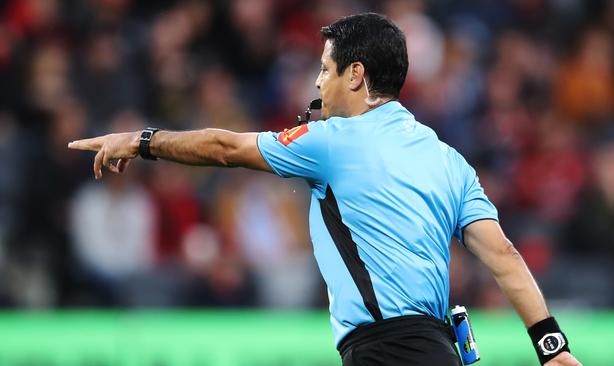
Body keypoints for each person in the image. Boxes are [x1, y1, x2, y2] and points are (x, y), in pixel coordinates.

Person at [68, 12, 582, 366]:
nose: (317, 84)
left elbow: (225, 147)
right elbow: (504, 255)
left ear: (356, 75)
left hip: (384, 352)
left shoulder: (332, 141)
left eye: (324, 69)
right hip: (440, 349)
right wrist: (550, 346)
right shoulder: (448, 160)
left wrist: (140, 141)